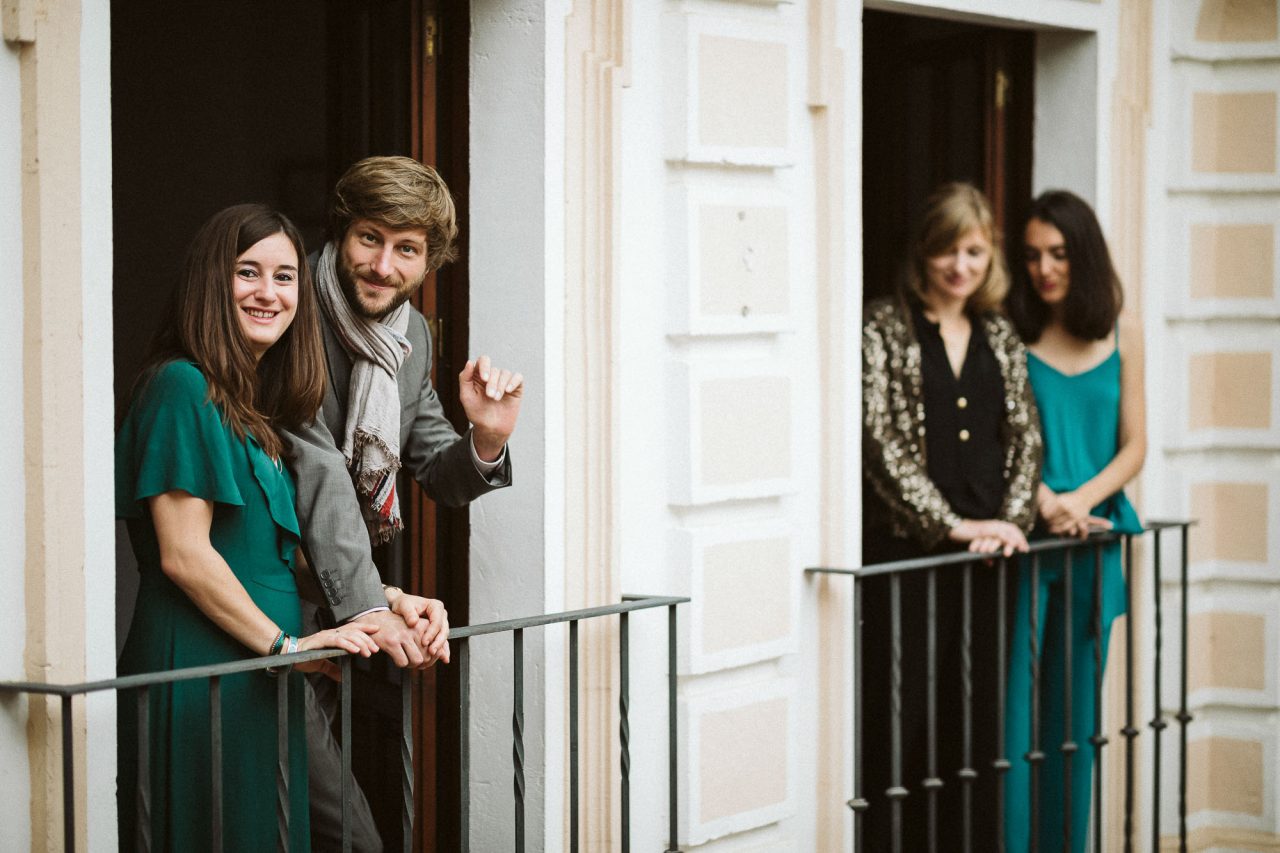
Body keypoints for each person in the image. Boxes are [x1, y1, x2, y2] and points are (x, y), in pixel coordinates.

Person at [115, 204, 382, 852]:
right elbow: (184, 554)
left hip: (260, 672)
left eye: (285, 276)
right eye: (248, 272)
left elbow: (261, 555)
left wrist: (377, 609)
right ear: (214, 281)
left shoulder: (252, 408)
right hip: (203, 669)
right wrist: (284, 647)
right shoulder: (181, 385)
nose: (269, 292)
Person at [284, 155, 523, 852]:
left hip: (341, 610)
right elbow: (317, 466)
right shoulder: (286, 302)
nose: (384, 265)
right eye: (369, 237)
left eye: (407, 249)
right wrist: (376, 605)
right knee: (343, 830)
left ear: (430, 261)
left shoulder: (409, 338)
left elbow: (439, 471)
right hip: (272, 601)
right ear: (341, 231)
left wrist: (486, 435)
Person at [861, 182, 1042, 849]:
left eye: (972, 250)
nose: (959, 265)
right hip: (911, 555)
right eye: (946, 249)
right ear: (923, 252)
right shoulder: (885, 325)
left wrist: (1011, 522)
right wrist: (953, 525)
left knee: (980, 723)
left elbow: (1025, 436)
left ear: (988, 255)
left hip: (993, 560)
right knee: (903, 718)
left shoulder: (998, 333)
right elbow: (876, 440)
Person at [1004, 189, 1145, 852]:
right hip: (1027, 545)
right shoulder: (1011, 333)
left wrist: (1082, 501)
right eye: (1032, 255)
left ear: (1082, 254)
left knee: (1074, 721)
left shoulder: (1121, 329)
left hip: (1092, 544)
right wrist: (1040, 499)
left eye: (1058, 253)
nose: (1044, 268)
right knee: (1014, 723)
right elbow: (1000, 441)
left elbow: (1136, 444)